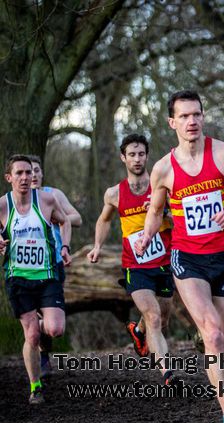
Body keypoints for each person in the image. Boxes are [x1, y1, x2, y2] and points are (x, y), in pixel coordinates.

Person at [136, 90, 224, 423]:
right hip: (188, 258)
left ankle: (208, 343)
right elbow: (155, 211)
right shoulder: (163, 168)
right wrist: (147, 236)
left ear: (203, 117)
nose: (192, 121)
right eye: (184, 116)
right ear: (172, 122)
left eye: (197, 114)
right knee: (214, 333)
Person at [87, 133, 176, 384]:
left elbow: (178, 219)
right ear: (123, 158)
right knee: (154, 316)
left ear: (147, 156)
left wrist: (161, 211)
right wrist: (97, 246)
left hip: (164, 261)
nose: (137, 159)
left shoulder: (162, 187)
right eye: (132, 155)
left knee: (163, 316)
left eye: (141, 154)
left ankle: (138, 332)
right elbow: (104, 220)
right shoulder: (114, 193)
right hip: (135, 264)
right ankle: (167, 373)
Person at [0, 155, 72, 404]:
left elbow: (65, 222)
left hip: (47, 275)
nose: (24, 177)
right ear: (9, 177)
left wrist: (65, 247)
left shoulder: (47, 200)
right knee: (31, 336)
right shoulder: (3, 205)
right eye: (18, 173)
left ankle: (41, 321)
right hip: (18, 278)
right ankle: (35, 386)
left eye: (28, 172)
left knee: (55, 329)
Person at [29, 155, 82, 376]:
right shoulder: (14, 200)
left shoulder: (53, 195)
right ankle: (41, 358)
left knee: (49, 319)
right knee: (35, 314)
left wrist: (58, 217)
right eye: (27, 171)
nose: (32, 175)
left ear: (42, 174)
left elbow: (76, 218)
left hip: (53, 263)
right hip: (26, 266)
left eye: (37, 170)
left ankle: (43, 353)